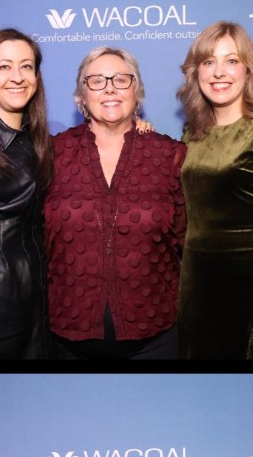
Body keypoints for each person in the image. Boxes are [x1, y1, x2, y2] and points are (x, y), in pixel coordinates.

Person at [43, 47, 186, 359]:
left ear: (137, 91)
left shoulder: (170, 155)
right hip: (66, 341)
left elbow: (189, 241)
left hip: (155, 340)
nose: (109, 88)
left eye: (121, 79)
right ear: (82, 96)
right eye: (96, 80)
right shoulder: (51, 154)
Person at [176, 22, 253, 359]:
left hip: (252, 285)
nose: (218, 72)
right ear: (196, 72)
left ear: (248, 70)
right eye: (208, 62)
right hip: (196, 282)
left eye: (231, 61)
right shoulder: (191, 133)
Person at [0, 28, 53, 359]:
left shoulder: (37, 142)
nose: (17, 77)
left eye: (26, 66)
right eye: (4, 66)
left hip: (36, 304)